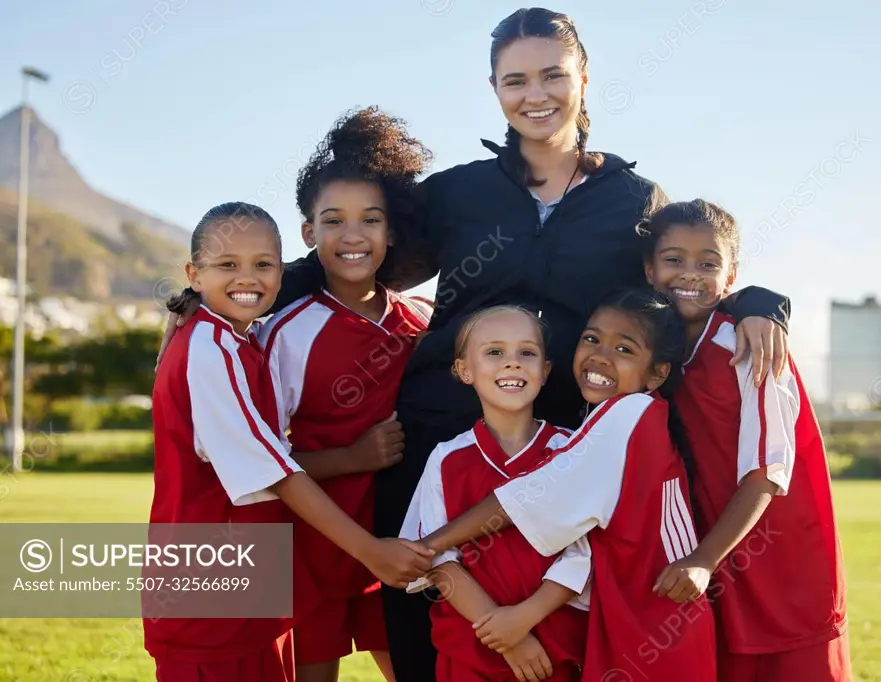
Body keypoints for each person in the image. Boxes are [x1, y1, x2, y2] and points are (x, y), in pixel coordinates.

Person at [156, 10, 791, 680]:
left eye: (552, 74)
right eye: (515, 79)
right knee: (422, 608)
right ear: (494, 89)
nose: (535, 93)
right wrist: (218, 296)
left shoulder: (633, 199)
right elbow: (359, 256)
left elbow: (682, 274)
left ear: (583, 78)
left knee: (552, 628)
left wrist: (759, 302)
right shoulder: (459, 192)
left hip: (565, 443)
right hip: (438, 430)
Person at [146, 202, 432, 682]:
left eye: (263, 265)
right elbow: (277, 472)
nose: (247, 277)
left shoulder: (240, 340)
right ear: (194, 274)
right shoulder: (209, 348)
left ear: (283, 271)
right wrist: (371, 550)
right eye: (227, 265)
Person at [418, 288, 718, 682]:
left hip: (653, 626)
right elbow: (444, 567)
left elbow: (525, 504)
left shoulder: (627, 417)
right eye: (591, 339)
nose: (601, 356)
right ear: (463, 369)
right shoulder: (624, 420)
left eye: (624, 349)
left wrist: (427, 546)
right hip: (631, 623)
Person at [257, 107, 434, 682]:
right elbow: (261, 464)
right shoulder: (284, 332)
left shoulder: (425, 324)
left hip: (405, 544)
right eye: (333, 220)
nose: (352, 235)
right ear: (309, 234)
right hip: (313, 548)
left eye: (370, 220)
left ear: (391, 233)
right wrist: (350, 459)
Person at [640, 200, 851, 682]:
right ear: (649, 270)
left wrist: (703, 559)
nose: (689, 274)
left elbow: (767, 473)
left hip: (779, 558)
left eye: (708, 263)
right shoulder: (655, 348)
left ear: (731, 277)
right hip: (713, 555)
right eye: (673, 259)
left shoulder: (750, 346)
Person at [400, 305, 590, 682]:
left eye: (527, 353)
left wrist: (524, 619)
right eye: (494, 352)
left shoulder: (572, 450)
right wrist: (504, 635)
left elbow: (584, 554)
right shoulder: (446, 459)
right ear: (463, 370)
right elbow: (436, 557)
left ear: (545, 371)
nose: (513, 363)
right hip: (472, 650)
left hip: (553, 652)